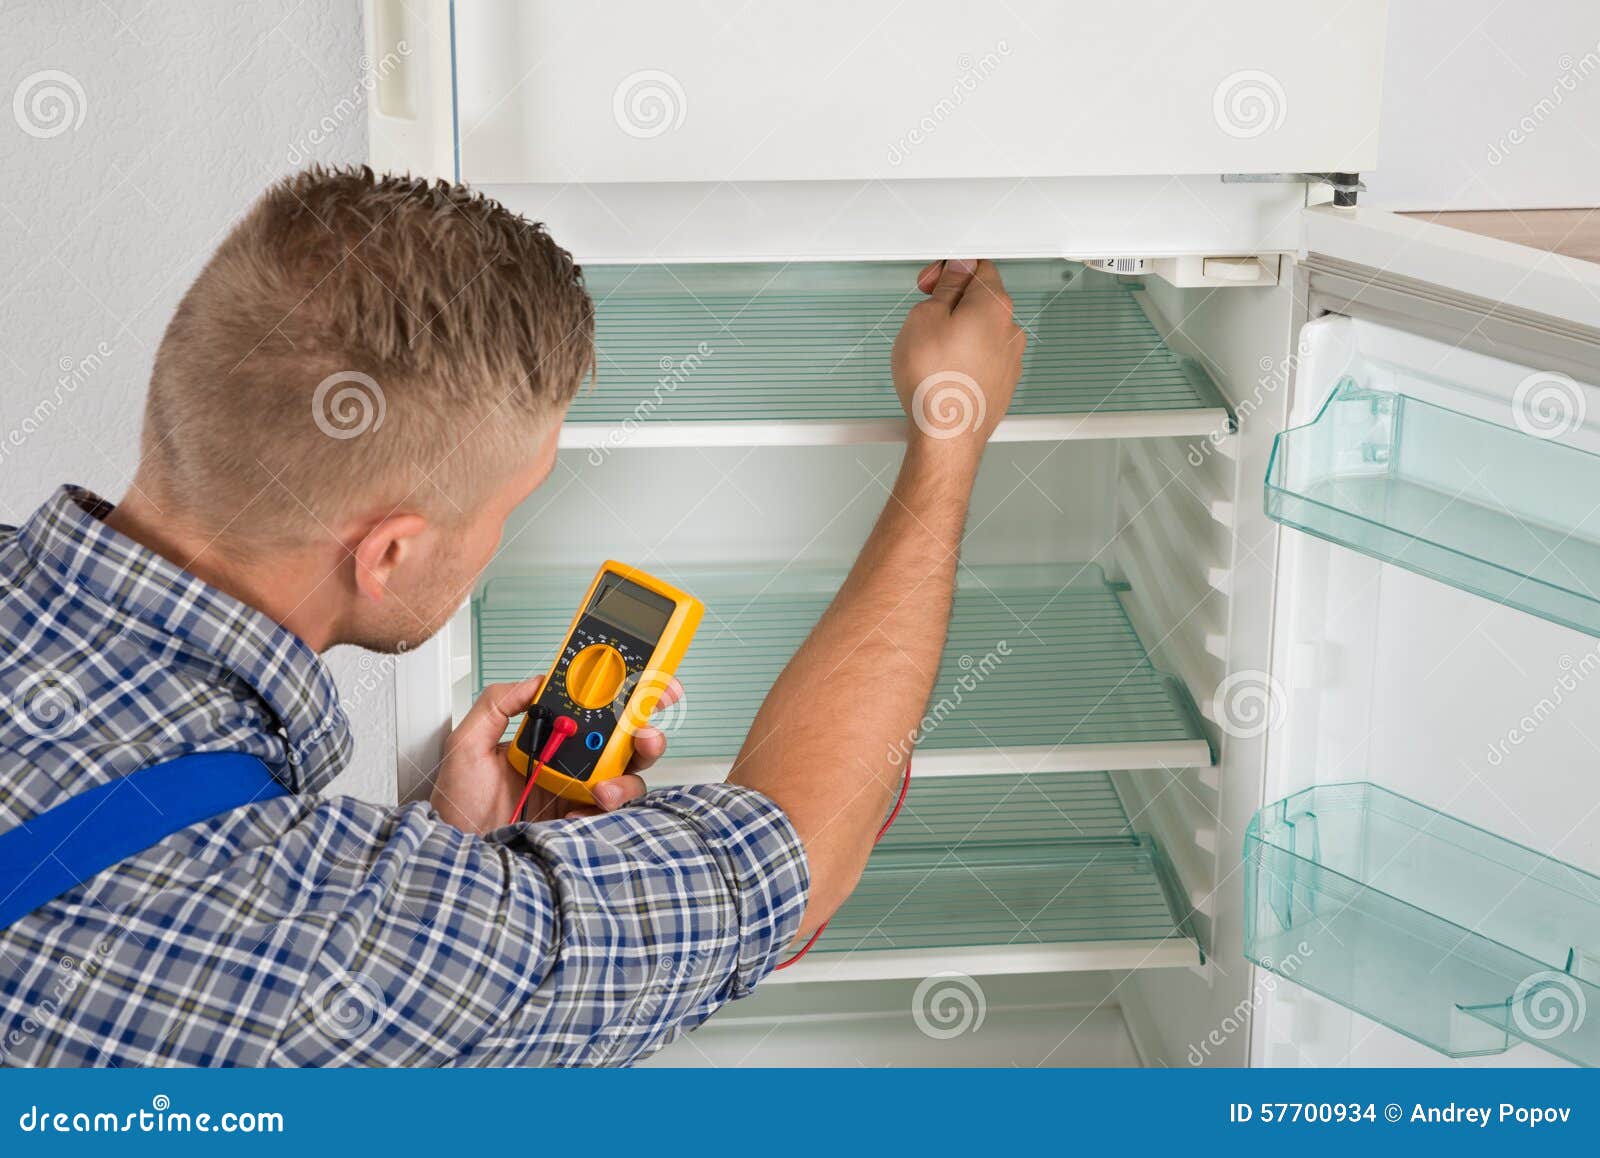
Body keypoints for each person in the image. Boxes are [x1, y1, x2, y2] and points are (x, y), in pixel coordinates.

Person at [0, 166, 1024, 1066]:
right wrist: (950, 430)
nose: (496, 539)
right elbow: (785, 862)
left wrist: (441, 856)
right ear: (391, 550)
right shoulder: (332, 965)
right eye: (509, 507)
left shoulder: (327, 944)